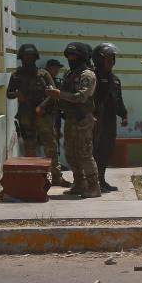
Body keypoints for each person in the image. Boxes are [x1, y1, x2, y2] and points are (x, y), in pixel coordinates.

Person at [43, 42, 101, 198]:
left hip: (83, 119)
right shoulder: (70, 73)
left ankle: (94, 187)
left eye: (74, 56)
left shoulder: (87, 75)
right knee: (70, 153)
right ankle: (80, 184)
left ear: (81, 57)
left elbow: (81, 97)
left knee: (84, 153)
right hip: (70, 118)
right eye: (69, 56)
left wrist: (59, 94)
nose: (71, 59)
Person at [7, 45, 70, 186]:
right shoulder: (16, 75)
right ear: (21, 59)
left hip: (43, 115)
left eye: (31, 58)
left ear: (35, 58)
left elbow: (54, 93)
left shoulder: (43, 74)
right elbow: (8, 93)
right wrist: (17, 94)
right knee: (30, 147)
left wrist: (41, 106)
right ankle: (34, 177)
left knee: (51, 147)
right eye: (25, 58)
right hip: (26, 116)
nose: (28, 60)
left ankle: (56, 176)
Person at [90, 43, 128, 193]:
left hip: (110, 120)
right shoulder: (93, 76)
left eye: (113, 58)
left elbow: (118, 100)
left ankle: (102, 179)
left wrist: (124, 115)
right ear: (98, 59)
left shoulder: (115, 79)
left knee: (106, 151)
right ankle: (90, 181)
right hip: (95, 120)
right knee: (94, 151)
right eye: (108, 58)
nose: (111, 61)